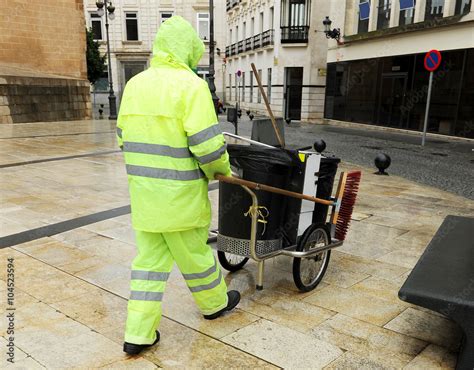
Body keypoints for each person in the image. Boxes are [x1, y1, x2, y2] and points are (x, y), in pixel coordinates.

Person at [116, 16, 240, 355]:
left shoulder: (135, 85)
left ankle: (138, 334)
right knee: (196, 255)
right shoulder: (192, 86)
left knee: (148, 265)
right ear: (187, 49)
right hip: (181, 198)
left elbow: (122, 138)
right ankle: (215, 304)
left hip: (146, 200)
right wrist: (221, 170)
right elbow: (208, 147)